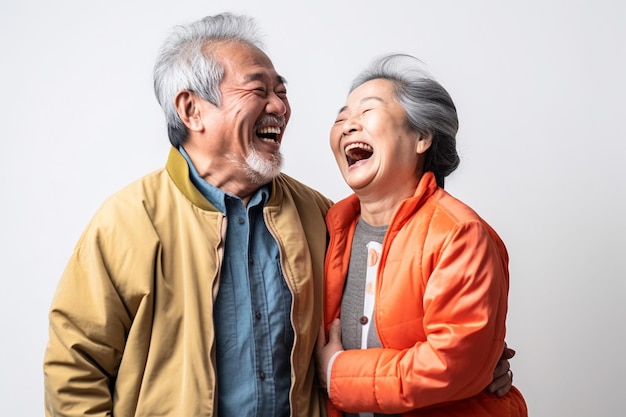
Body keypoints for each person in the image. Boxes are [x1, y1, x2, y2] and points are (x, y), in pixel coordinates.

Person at [43, 13, 515, 417]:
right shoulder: (127, 221)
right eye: (258, 89)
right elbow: (75, 369)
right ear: (192, 109)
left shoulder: (324, 217)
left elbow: (388, 320)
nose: (280, 106)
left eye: (281, 90)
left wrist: (474, 361)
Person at [315, 54, 528, 416]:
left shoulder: (459, 235)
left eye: (367, 111)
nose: (349, 125)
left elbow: (449, 365)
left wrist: (335, 373)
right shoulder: (327, 226)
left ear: (422, 137)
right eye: (341, 117)